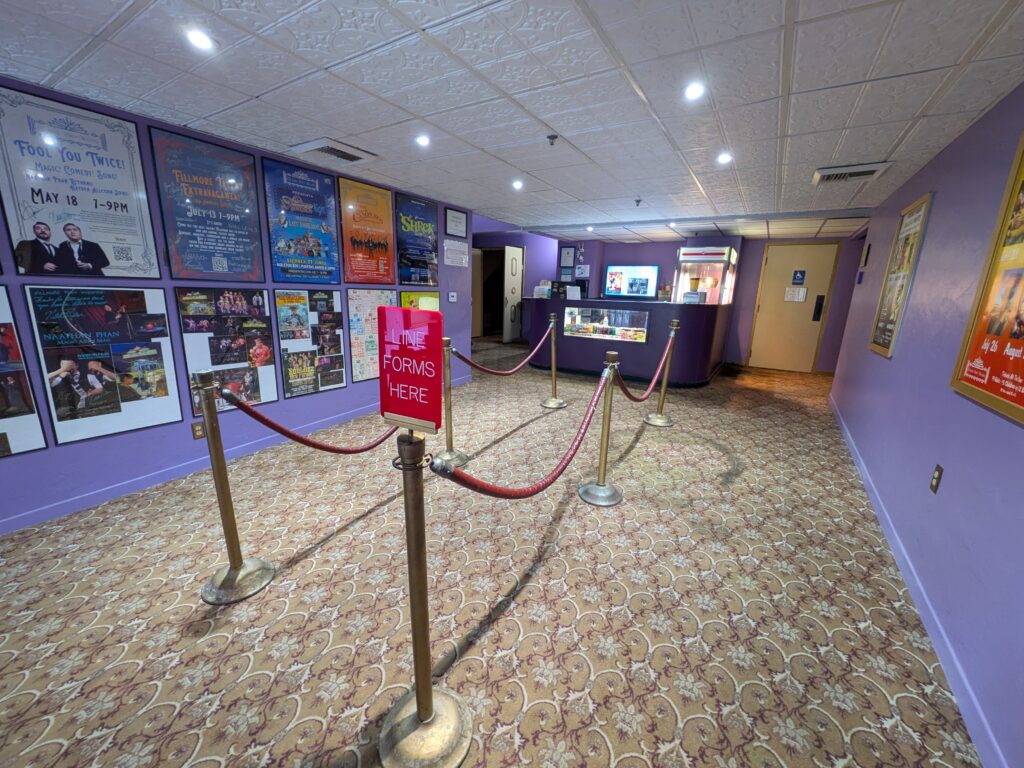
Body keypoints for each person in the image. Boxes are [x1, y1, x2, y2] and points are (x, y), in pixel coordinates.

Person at [47, 357, 115, 419]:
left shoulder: (88, 376)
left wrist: (90, 393)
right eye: (64, 366)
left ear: (76, 365)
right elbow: (45, 381)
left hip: (83, 411)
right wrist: (61, 372)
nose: (67, 368)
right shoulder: (58, 377)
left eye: (70, 365)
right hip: (62, 410)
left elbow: (100, 388)